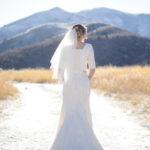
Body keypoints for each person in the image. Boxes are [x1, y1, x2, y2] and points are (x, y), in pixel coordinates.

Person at [49, 24, 104, 150]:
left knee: (69, 110)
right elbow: (93, 69)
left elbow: (60, 71)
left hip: (69, 83)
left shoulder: (65, 48)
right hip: (83, 82)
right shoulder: (89, 47)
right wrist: (86, 80)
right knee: (83, 110)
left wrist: (64, 81)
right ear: (83, 34)